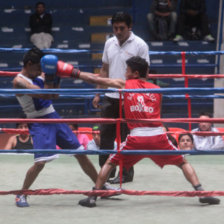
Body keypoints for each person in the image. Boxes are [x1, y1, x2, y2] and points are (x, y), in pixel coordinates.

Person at [41, 54, 220, 207]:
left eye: (127, 70)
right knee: (182, 162)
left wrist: (72, 71)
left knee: (110, 163)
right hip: (158, 135)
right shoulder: (157, 90)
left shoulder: (124, 84)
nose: (124, 73)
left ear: (135, 73)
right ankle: (201, 192)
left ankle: (93, 197)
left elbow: (96, 79)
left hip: (137, 138)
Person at [12, 47, 99, 207]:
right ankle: (21, 194)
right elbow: (44, 94)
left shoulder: (38, 74)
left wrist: (57, 77)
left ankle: (100, 187)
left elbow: (54, 95)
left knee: (81, 153)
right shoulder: (19, 81)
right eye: (39, 68)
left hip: (53, 116)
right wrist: (51, 76)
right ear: (29, 64)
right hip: (38, 121)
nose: (40, 71)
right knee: (40, 163)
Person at [92, 11, 150, 184]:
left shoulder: (140, 45)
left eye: (121, 28)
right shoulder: (109, 43)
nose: (118, 31)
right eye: (115, 28)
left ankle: (126, 174)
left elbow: (144, 75)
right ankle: (105, 173)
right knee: (106, 137)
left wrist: (135, 95)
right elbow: (104, 69)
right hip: (110, 96)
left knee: (126, 138)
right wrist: (97, 92)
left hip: (130, 98)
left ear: (129, 27)